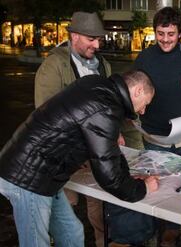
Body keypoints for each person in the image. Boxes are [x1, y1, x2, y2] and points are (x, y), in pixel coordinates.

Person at [0, 70, 159, 247]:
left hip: (45, 175)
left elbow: (110, 151)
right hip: (27, 177)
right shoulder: (105, 108)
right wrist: (142, 188)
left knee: (72, 233)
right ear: (137, 91)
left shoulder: (98, 86)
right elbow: (109, 177)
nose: (143, 111)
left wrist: (129, 179)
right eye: (145, 103)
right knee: (36, 242)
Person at [107, 7, 181, 246]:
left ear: (179, 34)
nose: (165, 39)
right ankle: (160, 232)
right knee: (157, 187)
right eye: (160, 33)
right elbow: (129, 91)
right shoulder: (145, 57)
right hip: (154, 138)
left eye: (171, 34)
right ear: (154, 32)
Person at [34, 11, 111, 247]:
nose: (97, 45)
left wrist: (110, 136)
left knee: (99, 209)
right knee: (68, 211)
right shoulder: (54, 65)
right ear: (74, 36)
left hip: (94, 154)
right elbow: (45, 117)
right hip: (65, 155)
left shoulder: (103, 66)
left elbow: (106, 109)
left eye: (99, 39)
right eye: (91, 39)